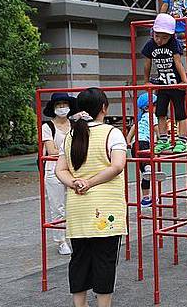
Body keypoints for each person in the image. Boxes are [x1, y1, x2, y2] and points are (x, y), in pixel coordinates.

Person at [55, 88, 128, 307]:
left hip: (78, 207)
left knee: (79, 258)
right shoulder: (111, 132)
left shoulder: (71, 134)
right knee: (104, 260)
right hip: (106, 208)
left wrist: (75, 182)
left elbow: (60, 170)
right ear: (103, 108)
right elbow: (117, 166)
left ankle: (80, 305)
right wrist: (90, 183)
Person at [142, 13, 187, 154]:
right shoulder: (151, 44)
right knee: (160, 112)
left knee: (181, 113)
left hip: (175, 85)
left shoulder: (174, 44)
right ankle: (163, 140)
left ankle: (182, 140)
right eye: (157, 36)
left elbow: (178, 62)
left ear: (171, 36)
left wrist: (184, 81)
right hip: (162, 85)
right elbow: (147, 63)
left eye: (164, 37)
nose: (160, 40)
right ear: (153, 33)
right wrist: (146, 81)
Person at [41, 92, 76, 255]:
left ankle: (75, 236)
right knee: (58, 206)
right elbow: (51, 150)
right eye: (58, 105)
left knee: (75, 204)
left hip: (72, 168)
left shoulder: (75, 125)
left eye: (65, 104)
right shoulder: (47, 127)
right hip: (53, 169)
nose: (62, 108)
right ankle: (61, 240)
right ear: (53, 108)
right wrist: (68, 151)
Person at [126, 93, 159, 208]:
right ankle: (148, 168)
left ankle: (145, 199)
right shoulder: (152, 116)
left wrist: (128, 141)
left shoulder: (139, 119)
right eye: (155, 105)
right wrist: (162, 139)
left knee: (145, 175)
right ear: (147, 107)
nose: (156, 107)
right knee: (147, 167)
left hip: (135, 145)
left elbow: (132, 130)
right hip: (144, 143)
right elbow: (156, 129)